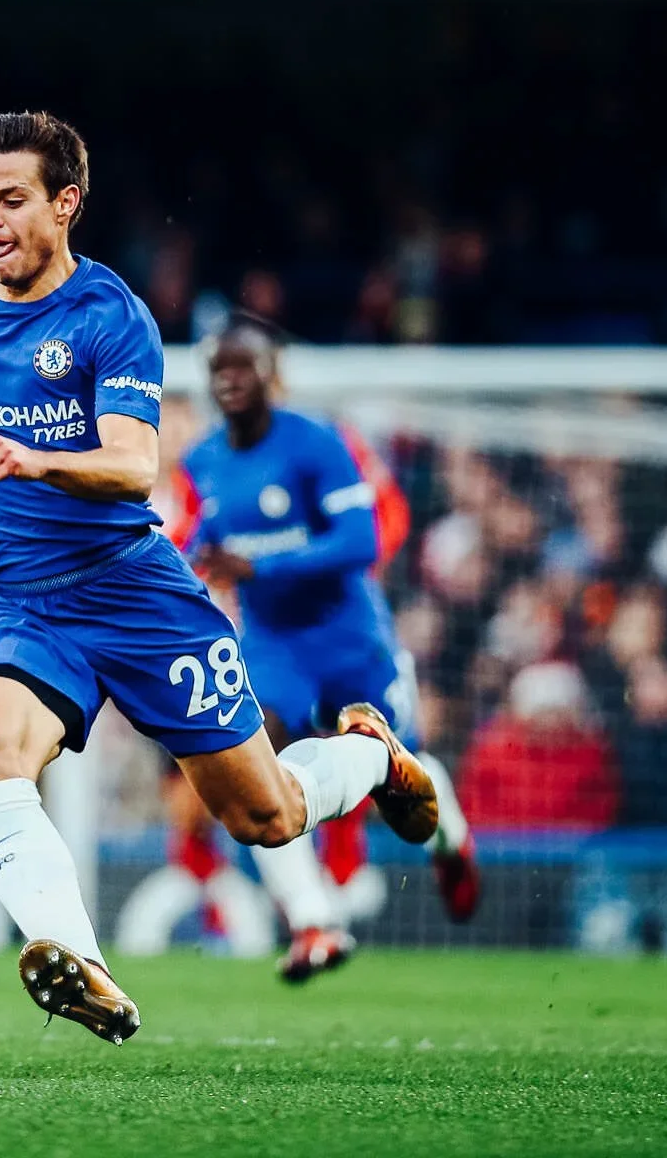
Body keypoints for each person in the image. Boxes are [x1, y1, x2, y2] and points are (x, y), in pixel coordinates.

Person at [0, 111, 441, 1044]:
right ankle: (82, 965)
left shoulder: (112, 315)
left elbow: (131, 464)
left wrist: (35, 458)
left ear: (65, 204)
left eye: (12, 199)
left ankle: (371, 757)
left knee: (264, 816)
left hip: (136, 592)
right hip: (27, 601)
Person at [174, 320, 480, 983]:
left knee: (403, 774)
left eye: (244, 367)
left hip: (348, 638)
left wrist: (260, 566)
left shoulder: (316, 441)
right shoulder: (201, 461)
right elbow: (196, 540)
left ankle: (451, 843)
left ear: (273, 374)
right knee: (257, 762)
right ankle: (312, 921)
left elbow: (360, 541)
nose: (230, 381)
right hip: (274, 647)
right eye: (220, 370)